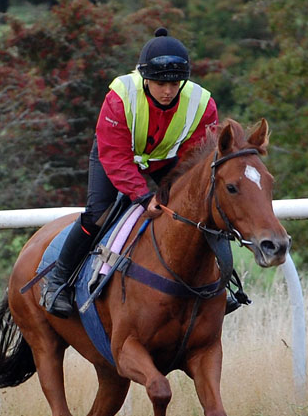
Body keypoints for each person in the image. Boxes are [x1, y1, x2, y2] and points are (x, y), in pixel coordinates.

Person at [41, 27, 219, 318]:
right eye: (160, 83)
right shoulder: (120, 96)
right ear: (143, 77)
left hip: (166, 158)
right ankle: (58, 282)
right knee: (98, 213)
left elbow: (195, 157)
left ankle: (222, 285)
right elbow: (115, 155)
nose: (168, 91)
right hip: (117, 155)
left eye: (175, 83)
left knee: (201, 208)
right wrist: (142, 195)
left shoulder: (204, 104)